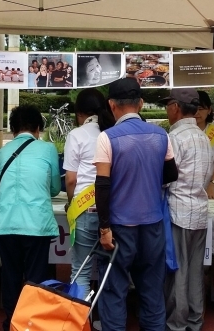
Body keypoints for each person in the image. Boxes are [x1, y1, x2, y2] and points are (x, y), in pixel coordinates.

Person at [93, 78, 179, 331]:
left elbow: (102, 186)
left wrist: (104, 228)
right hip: (152, 225)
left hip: (119, 227)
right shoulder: (161, 135)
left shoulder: (107, 138)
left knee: (114, 289)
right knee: (152, 290)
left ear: (111, 105)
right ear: (141, 103)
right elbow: (171, 174)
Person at [0, 105, 61, 331]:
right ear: (38, 128)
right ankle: (33, 323)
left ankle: (11, 321)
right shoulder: (48, 149)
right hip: (36, 222)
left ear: (12, 129)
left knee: (10, 274)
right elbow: (54, 188)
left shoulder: (2, 153)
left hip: (7, 222)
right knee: (36, 276)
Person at [161, 89, 211, 331]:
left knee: (177, 272)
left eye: (167, 105)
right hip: (199, 212)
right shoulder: (203, 137)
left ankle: (177, 324)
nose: (166, 110)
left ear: (175, 107)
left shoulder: (175, 139)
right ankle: (195, 320)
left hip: (178, 211)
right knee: (194, 272)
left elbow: (165, 178)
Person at [63, 88, 116, 295]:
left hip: (85, 211)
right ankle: (106, 321)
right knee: (108, 271)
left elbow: (71, 179)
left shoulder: (76, 135)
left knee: (81, 272)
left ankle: (81, 323)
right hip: (110, 210)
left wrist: (70, 203)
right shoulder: (112, 132)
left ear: (79, 114)